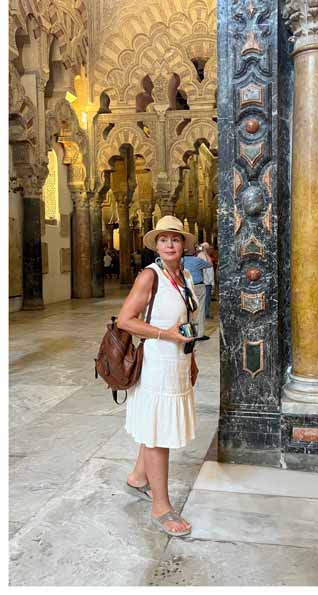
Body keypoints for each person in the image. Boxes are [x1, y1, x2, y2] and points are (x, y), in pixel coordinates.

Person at [117, 215, 199, 537]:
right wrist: (165, 335)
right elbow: (126, 320)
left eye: (175, 239)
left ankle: (138, 478)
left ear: (183, 245)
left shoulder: (186, 277)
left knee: (156, 426)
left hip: (177, 363)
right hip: (156, 364)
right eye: (163, 239)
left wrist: (191, 359)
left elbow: (188, 324)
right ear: (156, 245)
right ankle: (161, 507)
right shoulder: (149, 277)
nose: (169, 244)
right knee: (158, 434)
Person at [181, 245, 212, 337]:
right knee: (200, 309)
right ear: (194, 252)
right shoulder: (197, 260)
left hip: (185, 287)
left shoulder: (180, 260)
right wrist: (204, 252)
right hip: (198, 286)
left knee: (186, 311)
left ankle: (188, 334)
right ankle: (199, 335)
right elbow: (210, 263)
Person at [197, 243, 215, 320]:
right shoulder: (202, 255)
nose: (211, 250)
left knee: (207, 299)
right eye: (209, 248)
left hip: (207, 281)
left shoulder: (204, 254)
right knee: (205, 299)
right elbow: (207, 267)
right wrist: (209, 281)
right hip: (205, 281)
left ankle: (206, 313)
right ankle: (205, 314)